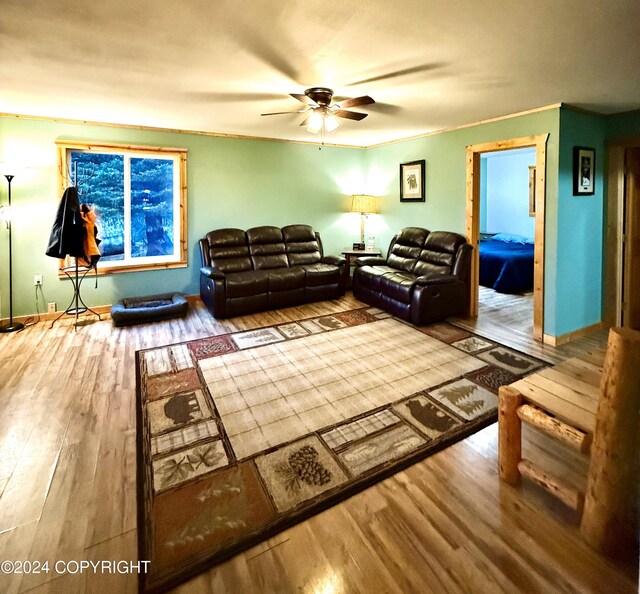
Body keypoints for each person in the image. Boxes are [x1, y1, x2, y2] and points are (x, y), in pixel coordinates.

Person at [79, 203, 101, 268]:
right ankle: (90, 263)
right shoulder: (92, 222)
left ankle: (89, 263)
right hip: (92, 246)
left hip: (87, 246)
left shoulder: (83, 222)